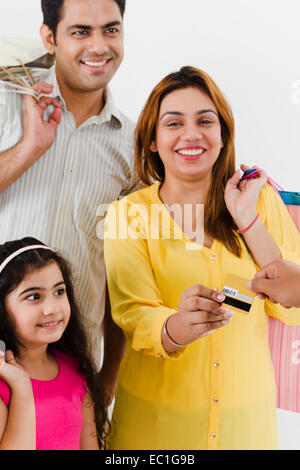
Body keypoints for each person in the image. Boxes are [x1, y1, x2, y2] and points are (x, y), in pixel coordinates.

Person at [104, 66, 300, 450]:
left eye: (205, 121)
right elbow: (134, 314)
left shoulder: (262, 201)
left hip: (245, 431)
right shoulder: (128, 214)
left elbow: (292, 309)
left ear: (223, 135)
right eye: (173, 123)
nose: (191, 135)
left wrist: (248, 220)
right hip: (154, 432)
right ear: (153, 141)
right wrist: (178, 326)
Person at [0, 0, 135, 405]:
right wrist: (30, 148)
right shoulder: (7, 102)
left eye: (110, 30)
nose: (98, 45)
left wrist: (108, 373)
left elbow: (121, 270)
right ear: (49, 38)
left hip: (71, 371)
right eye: (80, 32)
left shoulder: (132, 145)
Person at [0, 237, 108, 450]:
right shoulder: (3, 386)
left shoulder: (75, 369)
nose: (52, 308)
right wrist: (21, 389)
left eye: (59, 291)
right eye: (33, 296)